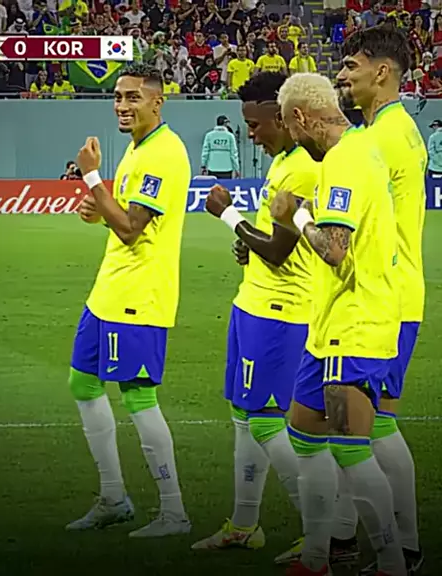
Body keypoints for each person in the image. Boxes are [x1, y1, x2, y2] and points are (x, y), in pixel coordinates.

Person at [273, 72, 406, 576]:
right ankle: (317, 557)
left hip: (354, 324)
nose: (291, 137)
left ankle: (392, 561)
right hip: (333, 322)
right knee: (304, 431)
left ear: (300, 117)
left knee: (351, 450)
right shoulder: (359, 149)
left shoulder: (344, 160)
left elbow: (333, 249)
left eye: (289, 126)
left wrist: (295, 215)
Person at [192, 72, 318, 551]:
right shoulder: (282, 162)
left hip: (282, 310)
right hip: (253, 302)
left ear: (283, 118)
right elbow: (271, 239)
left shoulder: (302, 168)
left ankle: (321, 531)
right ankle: (244, 525)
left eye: (256, 124)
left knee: (265, 418)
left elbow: (281, 252)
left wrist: (228, 215)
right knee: (244, 414)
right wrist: (249, 243)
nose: (251, 134)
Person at [67, 63, 192, 538]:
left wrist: (92, 179)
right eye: (118, 97)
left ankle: (174, 512)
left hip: (139, 294)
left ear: (158, 102)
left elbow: (132, 228)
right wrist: (98, 207)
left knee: (138, 396)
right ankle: (114, 497)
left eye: (133, 97)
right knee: (82, 382)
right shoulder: (138, 147)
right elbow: (120, 216)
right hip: (109, 290)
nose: (122, 105)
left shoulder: (163, 153)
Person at [332, 26, 426, 575]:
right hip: (398, 293)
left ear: (382, 71)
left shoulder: (378, 139)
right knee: (374, 423)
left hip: (380, 297)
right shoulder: (398, 128)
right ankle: (385, 545)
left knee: (359, 429)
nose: (343, 75)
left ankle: (388, 548)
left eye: (352, 65)